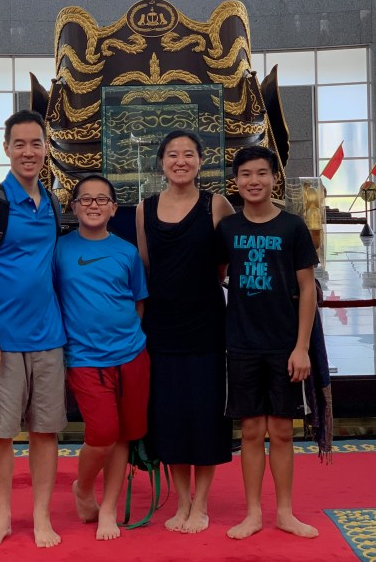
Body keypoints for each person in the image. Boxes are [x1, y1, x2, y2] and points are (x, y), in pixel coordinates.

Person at [0, 109, 67, 550]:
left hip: (49, 338)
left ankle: (41, 515)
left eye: (36, 143)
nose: (28, 152)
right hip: (1, 341)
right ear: (6, 148)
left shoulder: (52, 203)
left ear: (46, 148)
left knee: (45, 431)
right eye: (19, 144)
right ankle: (2, 517)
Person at [217, 146, 319, 541]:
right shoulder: (228, 228)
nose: (254, 181)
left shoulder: (292, 226)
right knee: (250, 431)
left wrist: (301, 346)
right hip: (241, 344)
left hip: (283, 345)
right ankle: (253, 513)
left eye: (261, 173)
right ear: (236, 181)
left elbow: (307, 288)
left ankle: (285, 512)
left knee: (281, 431)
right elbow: (217, 276)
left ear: (274, 178)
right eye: (245, 174)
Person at [135, 130, 234, 534]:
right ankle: (182, 500)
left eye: (188, 154)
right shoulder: (145, 208)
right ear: (161, 162)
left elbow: (224, 264)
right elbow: (146, 266)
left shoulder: (217, 204)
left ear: (200, 161)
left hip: (206, 324)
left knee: (205, 413)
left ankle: (202, 503)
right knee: (170, 414)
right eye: (173, 154)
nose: (181, 161)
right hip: (161, 326)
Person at [54, 174, 150, 541]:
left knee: (122, 436)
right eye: (86, 199)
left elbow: (137, 301)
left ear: (113, 208)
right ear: (74, 206)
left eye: (102, 200)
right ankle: (82, 488)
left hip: (131, 357)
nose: (93, 205)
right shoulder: (59, 250)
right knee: (103, 434)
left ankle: (108, 508)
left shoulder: (127, 252)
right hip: (84, 359)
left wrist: (126, 339)